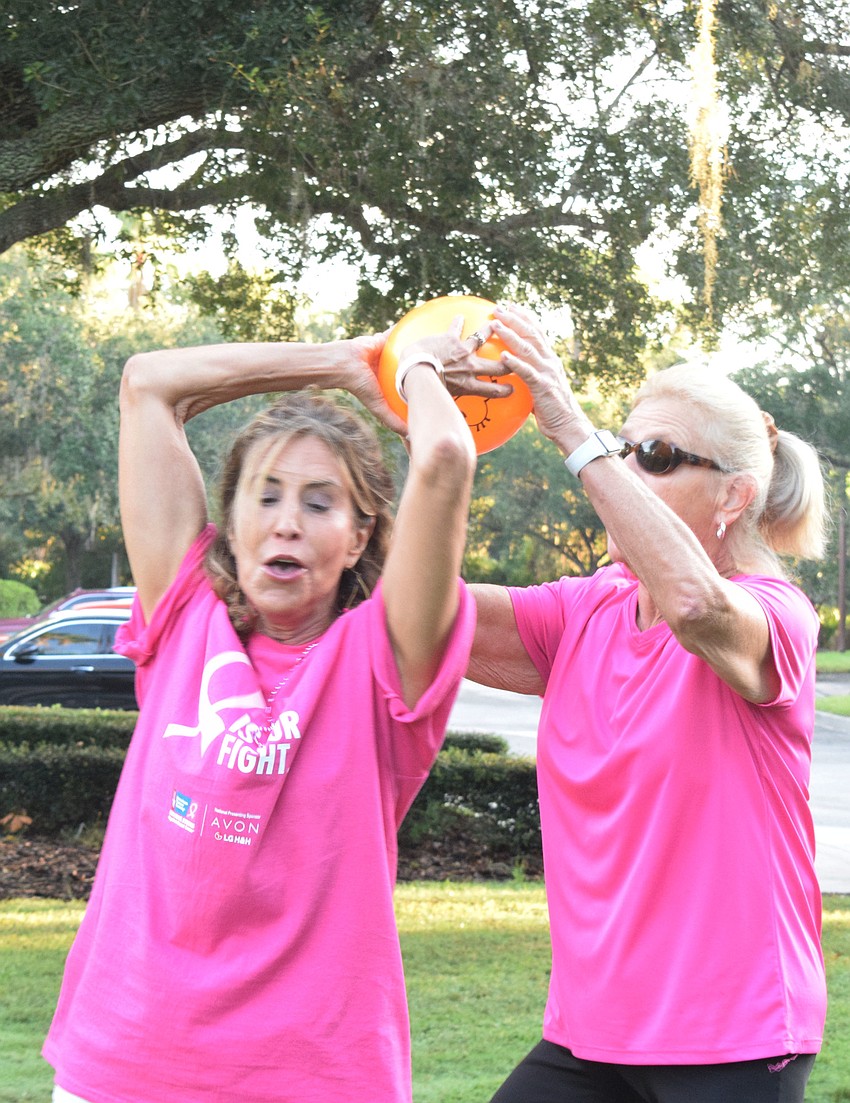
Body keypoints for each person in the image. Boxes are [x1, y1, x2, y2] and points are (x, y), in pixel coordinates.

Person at [43, 321, 487, 1103]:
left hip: (310, 1077)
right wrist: (343, 364)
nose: (287, 522)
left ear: (359, 537)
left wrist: (410, 364)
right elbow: (149, 383)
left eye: (320, 503)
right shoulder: (183, 611)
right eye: (267, 495)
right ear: (234, 518)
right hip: (122, 1062)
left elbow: (446, 456)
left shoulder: (384, 658)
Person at [467, 305, 828, 1103]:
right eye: (621, 447)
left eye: (655, 456)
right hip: (592, 1033)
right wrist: (430, 436)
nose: (624, 469)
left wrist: (571, 429)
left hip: (735, 1036)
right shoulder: (584, 610)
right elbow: (421, 618)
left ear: (734, 496)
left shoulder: (776, 615)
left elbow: (698, 606)